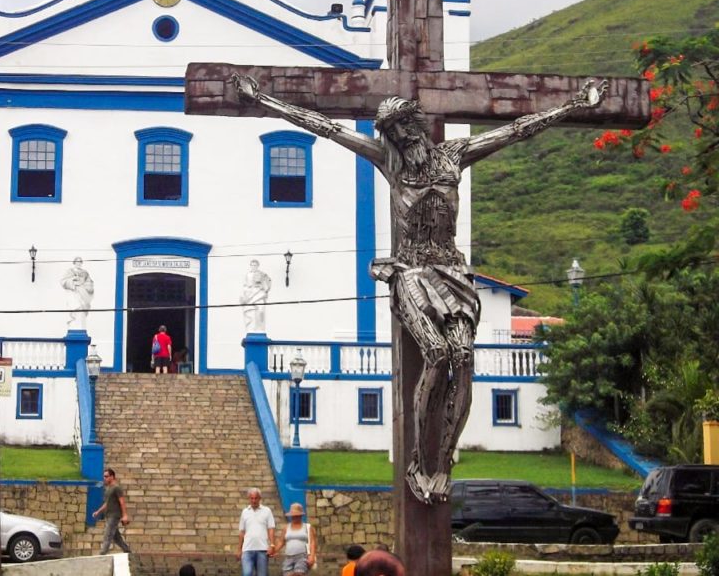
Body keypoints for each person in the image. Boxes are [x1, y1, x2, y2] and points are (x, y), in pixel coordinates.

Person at [235, 74, 607, 503]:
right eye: (393, 131)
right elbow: (325, 127)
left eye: (405, 126)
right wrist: (263, 99)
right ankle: (416, 460)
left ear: (419, 124)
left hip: (451, 270)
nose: (401, 135)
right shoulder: (390, 161)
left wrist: (576, 105)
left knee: (464, 357)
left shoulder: (454, 156)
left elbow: (516, 131)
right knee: (438, 352)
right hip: (410, 272)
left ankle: (443, 461)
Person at [92, 467, 131, 555]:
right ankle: (127, 550)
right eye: (104, 476)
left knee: (108, 533)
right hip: (108, 515)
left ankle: (102, 553)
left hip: (114, 515)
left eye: (106, 476)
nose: (104, 478)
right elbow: (107, 503)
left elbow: (122, 502)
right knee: (116, 538)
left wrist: (125, 515)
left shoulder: (116, 488)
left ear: (112, 477)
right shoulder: (108, 489)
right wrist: (98, 511)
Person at [238, 487, 275, 576]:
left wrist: (272, 545)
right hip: (247, 549)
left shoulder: (267, 511)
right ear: (249, 499)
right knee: (247, 574)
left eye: (256, 498)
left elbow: (271, 529)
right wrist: (239, 549)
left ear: (260, 498)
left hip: (262, 549)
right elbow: (242, 532)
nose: (254, 501)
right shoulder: (245, 512)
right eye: (252, 498)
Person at [273, 502, 316, 575]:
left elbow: (312, 543)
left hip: (302, 556)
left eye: (297, 515)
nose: (295, 517)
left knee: (298, 574)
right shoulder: (286, 528)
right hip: (288, 557)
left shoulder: (308, 527)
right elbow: (281, 541)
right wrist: (274, 550)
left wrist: (312, 556)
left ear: (300, 516)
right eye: (293, 515)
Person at [61, 256, 95, 330]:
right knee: (74, 307)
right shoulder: (70, 271)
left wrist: (88, 286)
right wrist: (73, 280)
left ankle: (80, 325)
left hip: (82, 293)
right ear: (74, 262)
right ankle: (73, 324)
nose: (79, 263)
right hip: (73, 292)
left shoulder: (85, 273)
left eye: (80, 262)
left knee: (81, 309)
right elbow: (63, 281)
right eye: (77, 261)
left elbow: (89, 282)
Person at [239, 259, 272, 333]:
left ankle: (260, 328)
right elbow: (245, 285)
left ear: (257, 266)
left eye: (255, 265)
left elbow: (268, 281)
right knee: (250, 311)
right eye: (252, 265)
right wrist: (246, 293)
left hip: (259, 293)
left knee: (260, 310)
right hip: (250, 294)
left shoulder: (262, 274)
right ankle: (252, 327)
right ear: (250, 266)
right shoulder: (248, 274)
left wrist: (265, 289)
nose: (253, 266)